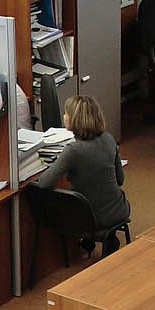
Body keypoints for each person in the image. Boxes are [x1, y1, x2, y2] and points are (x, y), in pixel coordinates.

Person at [34, 95, 130, 232]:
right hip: (120, 210)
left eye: (67, 113)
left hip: (91, 218)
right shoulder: (109, 138)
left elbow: (44, 183)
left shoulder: (73, 151)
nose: (64, 116)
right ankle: (108, 240)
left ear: (75, 119)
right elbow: (120, 180)